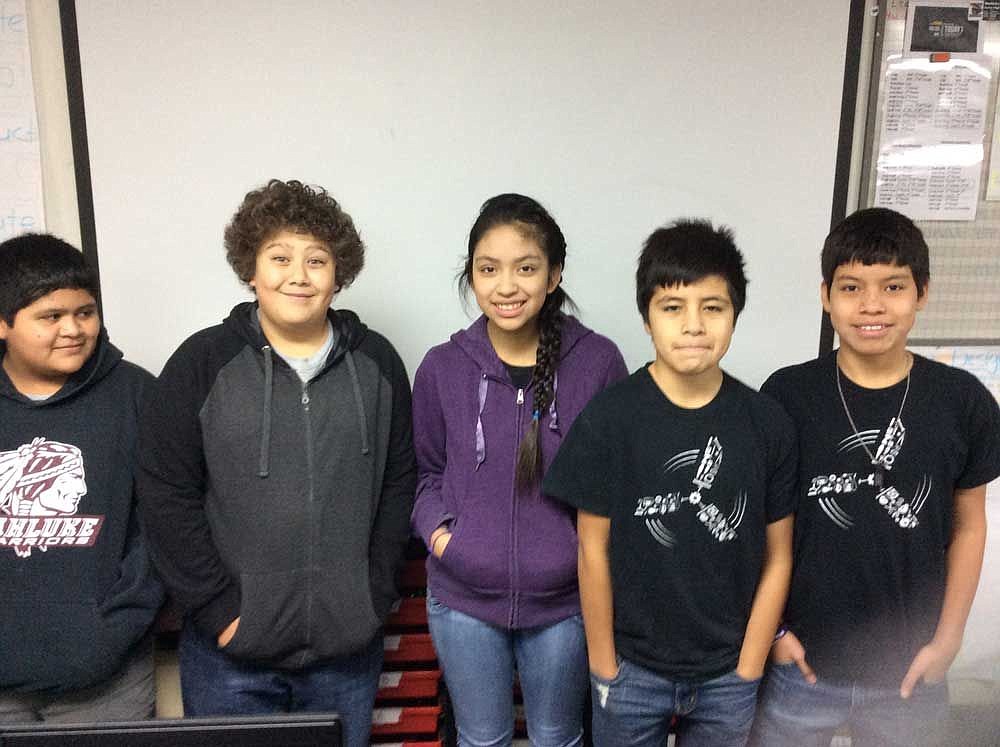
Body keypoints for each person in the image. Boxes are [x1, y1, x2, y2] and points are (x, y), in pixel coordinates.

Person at [137, 180, 416, 747]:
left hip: (346, 650)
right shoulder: (202, 362)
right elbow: (166, 494)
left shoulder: (378, 363)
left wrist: (372, 597)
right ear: (251, 270)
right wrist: (220, 611)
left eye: (317, 260)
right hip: (229, 655)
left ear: (338, 274)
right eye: (280, 258)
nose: (299, 276)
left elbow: (398, 482)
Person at [751, 208, 1000, 747]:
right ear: (826, 296)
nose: (871, 305)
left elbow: (969, 526)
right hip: (801, 664)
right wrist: (775, 634)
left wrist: (949, 640)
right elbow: (763, 525)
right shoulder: (787, 395)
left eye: (893, 286)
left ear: (922, 293)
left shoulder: (962, 402)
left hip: (910, 670)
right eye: (851, 287)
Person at [543, 219, 796, 746]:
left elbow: (778, 556)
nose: (694, 326)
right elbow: (591, 549)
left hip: (729, 673)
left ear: (735, 314)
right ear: (647, 318)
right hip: (631, 670)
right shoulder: (610, 419)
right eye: (673, 307)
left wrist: (750, 665)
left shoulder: (767, 424)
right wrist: (604, 664)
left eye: (713, 307)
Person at [411, 193, 627, 746]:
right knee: (481, 740)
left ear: (554, 275)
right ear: (472, 275)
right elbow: (425, 474)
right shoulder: (442, 367)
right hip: (462, 600)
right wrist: (447, 542)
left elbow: (618, 486)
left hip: (565, 603)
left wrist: (573, 553)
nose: (506, 286)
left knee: (557, 738)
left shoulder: (598, 362)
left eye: (526, 268)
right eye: (489, 269)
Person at [0, 233, 163, 723]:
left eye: (85, 312)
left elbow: (163, 524)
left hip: (108, 680)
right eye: (50, 316)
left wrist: (112, 630)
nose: (72, 329)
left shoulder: (138, 394)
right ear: (3, 323)